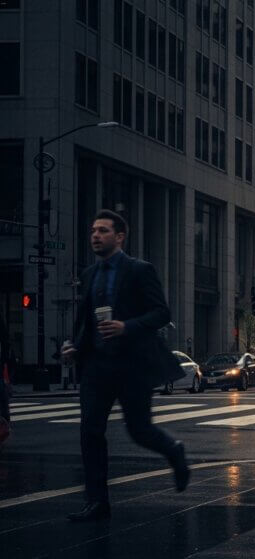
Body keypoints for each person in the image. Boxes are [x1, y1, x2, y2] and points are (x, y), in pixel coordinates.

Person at [60, 210, 189, 522]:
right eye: (93, 230)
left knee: (139, 429)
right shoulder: (89, 275)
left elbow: (161, 313)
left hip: (132, 365)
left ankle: (174, 451)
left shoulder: (139, 270)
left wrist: (126, 327)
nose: (95, 236)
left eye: (103, 231)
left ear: (119, 237)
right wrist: (72, 346)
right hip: (95, 367)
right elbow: (85, 322)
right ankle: (97, 502)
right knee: (90, 431)